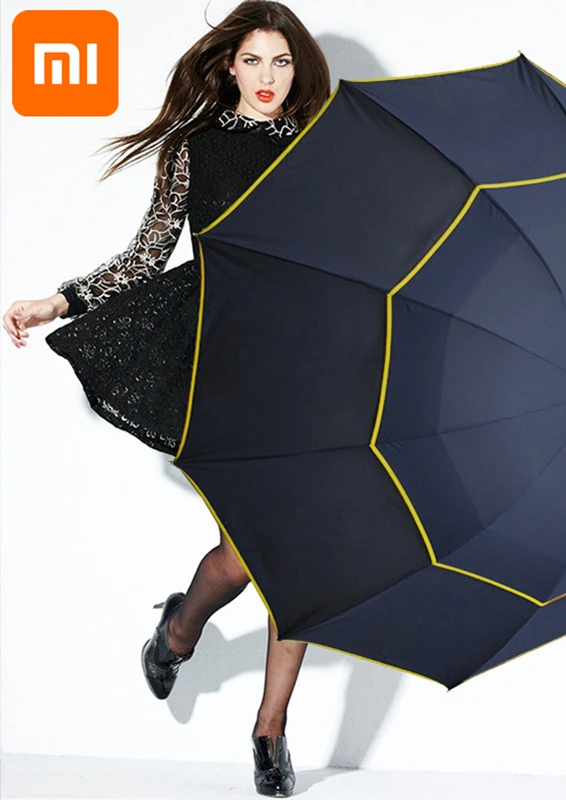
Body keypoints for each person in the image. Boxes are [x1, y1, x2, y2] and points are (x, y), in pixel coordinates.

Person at [2, 2, 331, 795]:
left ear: (299, 68)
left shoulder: (327, 150)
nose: (267, 77)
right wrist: (58, 300)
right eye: (252, 60)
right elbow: (148, 253)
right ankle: (179, 630)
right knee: (245, 560)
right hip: (223, 366)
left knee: (301, 563)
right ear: (229, 66)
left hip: (312, 367)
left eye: (281, 61)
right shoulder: (195, 148)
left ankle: (270, 731)